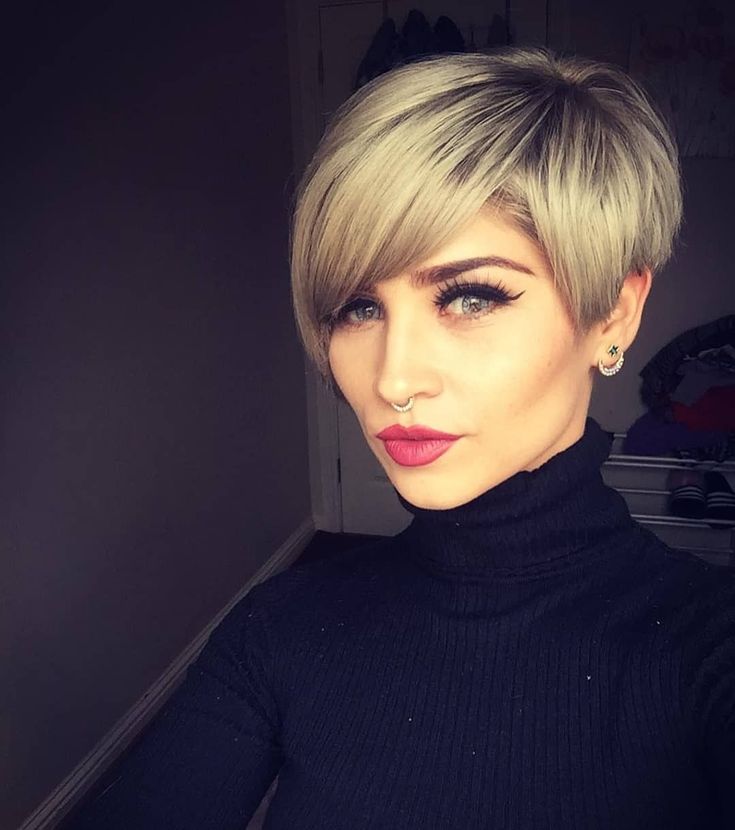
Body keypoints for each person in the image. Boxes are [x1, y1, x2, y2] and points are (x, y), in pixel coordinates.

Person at [67, 47, 734, 829]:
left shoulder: (706, 654)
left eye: (470, 297)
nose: (393, 378)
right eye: (359, 307)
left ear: (613, 313)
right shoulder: (281, 626)